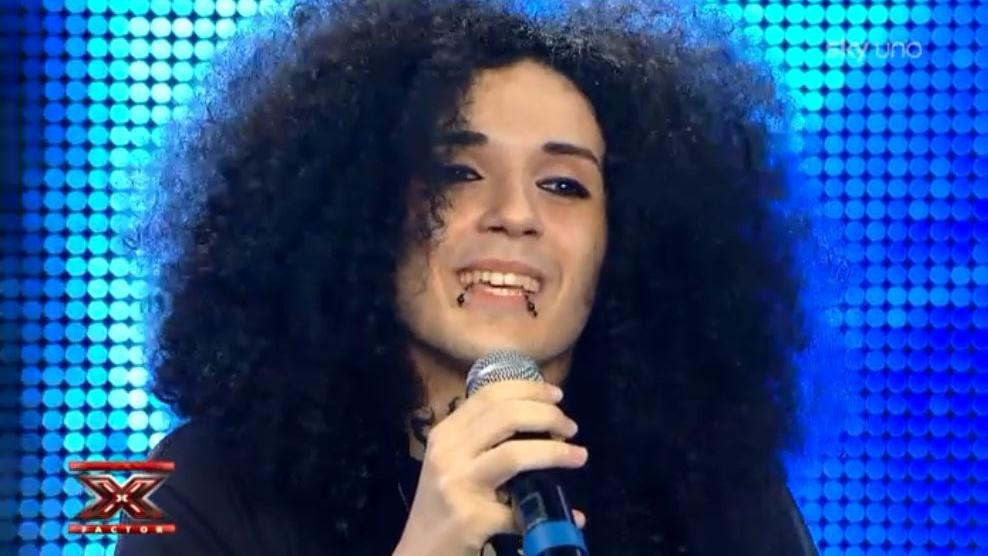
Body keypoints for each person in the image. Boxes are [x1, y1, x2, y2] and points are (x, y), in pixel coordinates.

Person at [115, 0, 821, 554]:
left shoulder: (721, 494)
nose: (514, 215)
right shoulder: (197, 485)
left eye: (563, 185)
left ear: (629, 240)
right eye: (459, 172)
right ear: (361, 210)